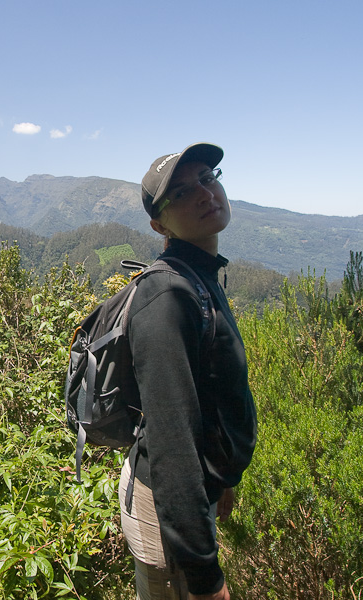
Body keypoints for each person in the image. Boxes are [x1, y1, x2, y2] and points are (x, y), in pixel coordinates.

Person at [119, 143, 258, 600]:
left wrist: (222, 479)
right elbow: (172, 441)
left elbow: (209, 397)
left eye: (208, 177)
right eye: (180, 193)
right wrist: (204, 579)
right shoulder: (168, 296)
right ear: (159, 224)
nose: (204, 192)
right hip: (166, 515)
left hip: (192, 497)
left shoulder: (200, 276)